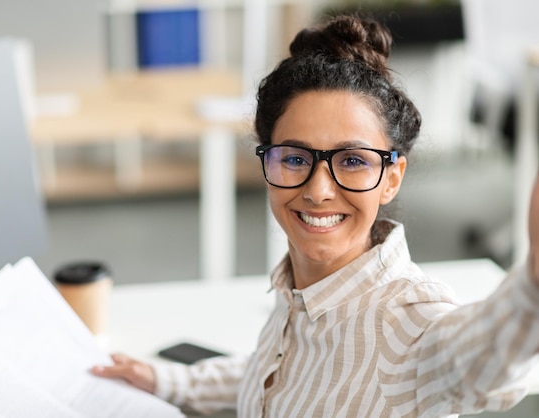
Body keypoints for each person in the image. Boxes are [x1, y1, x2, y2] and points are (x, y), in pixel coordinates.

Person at [92, 13, 539, 417]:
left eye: (352, 161)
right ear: (267, 164)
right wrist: (169, 380)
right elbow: (277, 374)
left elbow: (479, 359)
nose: (318, 191)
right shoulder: (300, 290)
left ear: (391, 177)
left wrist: (533, 283)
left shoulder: (409, 320)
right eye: (294, 158)